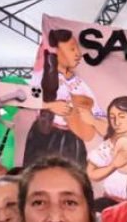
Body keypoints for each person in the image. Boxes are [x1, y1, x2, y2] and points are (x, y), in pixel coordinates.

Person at [23, 29, 106, 167]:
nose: (78, 54)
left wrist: (93, 120)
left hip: (73, 141)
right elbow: (23, 97)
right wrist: (50, 106)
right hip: (44, 136)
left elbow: (99, 114)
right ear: (57, 50)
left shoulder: (81, 84)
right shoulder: (42, 75)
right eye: (72, 49)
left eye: (78, 49)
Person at [87, 96, 127, 203]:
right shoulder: (108, 145)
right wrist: (113, 165)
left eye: (121, 116)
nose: (116, 121)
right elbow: (91, 174)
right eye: (112, 117)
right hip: (110, 202)